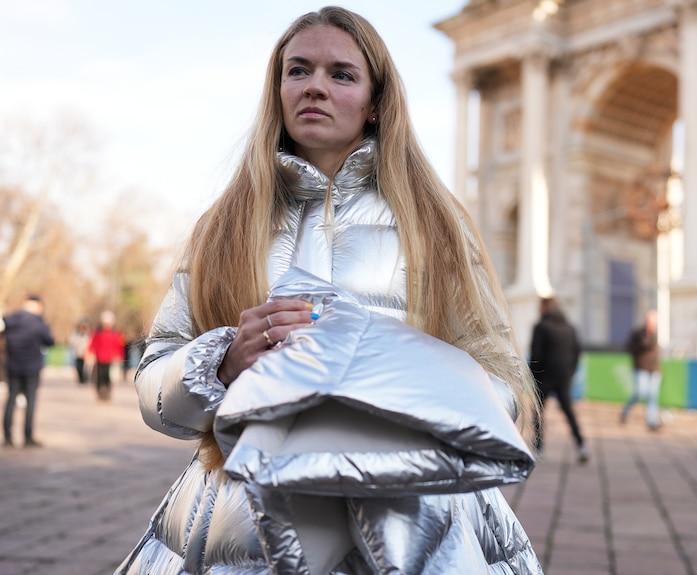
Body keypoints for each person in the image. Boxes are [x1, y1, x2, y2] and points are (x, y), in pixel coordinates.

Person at [115, 7, 542, 575]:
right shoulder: (222, 226)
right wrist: (220, 363)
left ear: (376, 102)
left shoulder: (439, 223)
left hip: (417, 513)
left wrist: (403, 381)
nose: (315, 85)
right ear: (278, 90)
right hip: (242, 522)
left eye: (341, 74)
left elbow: (503, 384)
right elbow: (154, 387)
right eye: (298, 70)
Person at [529, 297, 589, 463]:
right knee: (568, 411)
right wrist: (569, 372)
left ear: (544, 307)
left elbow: (536, 355)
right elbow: (577, 352)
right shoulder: (570, 328)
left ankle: (539, 448)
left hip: (544, 376)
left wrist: (532, 376)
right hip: (564, 377)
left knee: (539, 413)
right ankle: (581, 444)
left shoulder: (541, 327)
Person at [2, 295, 55, 448]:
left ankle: (8, 437)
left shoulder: (9, 320)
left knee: (11, 400)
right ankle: (28, 437)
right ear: (37, 306)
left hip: (13, 366)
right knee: (30, 401)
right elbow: (50, 341)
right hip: (32, 367)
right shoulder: (38, 323)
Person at [620, 309, 663, 430]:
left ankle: (652, 422)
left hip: (654, 369)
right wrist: (643, 341)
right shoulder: (638, 334)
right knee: (640, 393)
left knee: (652, 396)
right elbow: (631, 347)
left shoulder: (655, 334)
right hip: (641, 368)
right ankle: (625, 411)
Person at [87, 311, 125, 401]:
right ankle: (99, 392)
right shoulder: (97, 333)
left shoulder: (117, 333)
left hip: (110, 359)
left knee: (108, 377)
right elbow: (92, 343)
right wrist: (90, 353)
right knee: (99, 376)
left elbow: (120, 346)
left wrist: (120, 356)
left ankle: (107, 392)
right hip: (99, 358)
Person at [68, 319, 92, 385]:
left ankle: (85, 379)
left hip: (86, 354)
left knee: (86, 368)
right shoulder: (76, 335)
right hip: (78, 354)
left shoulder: (89, 335)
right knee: (79, 367)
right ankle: (80, 378)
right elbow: (72, 342)